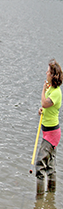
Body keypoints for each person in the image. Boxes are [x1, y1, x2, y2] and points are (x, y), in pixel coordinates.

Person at [36, 59, 63, 196]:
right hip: (48, 131)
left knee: (40, 164)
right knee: (50, 166)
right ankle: (50, 200)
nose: (46, 73)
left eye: (48, 71)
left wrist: (42, 90)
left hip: (52, 133)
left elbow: (46, 103)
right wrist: (41, 111)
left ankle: (39, 198)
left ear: (52, 75)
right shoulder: (51, 89)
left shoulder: (56, 92)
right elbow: (46, 107)